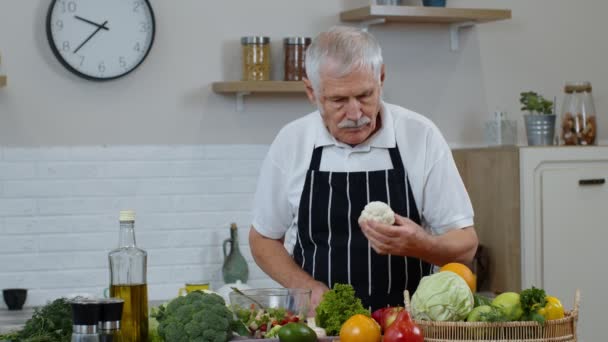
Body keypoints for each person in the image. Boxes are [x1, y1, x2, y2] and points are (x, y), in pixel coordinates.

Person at [249, 26, 478, 312]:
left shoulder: (421, 136)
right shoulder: (292, 142)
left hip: (405, 329)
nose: (355, 114)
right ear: (311, 92)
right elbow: (263, 239)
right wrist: (305, 287)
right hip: (319, 329)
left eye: (365, 95)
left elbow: (466, 245)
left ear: (381, 78)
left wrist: (420, 244)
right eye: (339, 101)